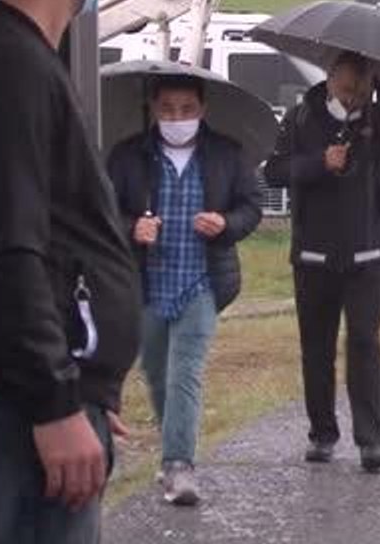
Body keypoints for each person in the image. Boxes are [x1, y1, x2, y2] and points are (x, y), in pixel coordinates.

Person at [0, 0, 141, 542]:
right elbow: (5, 248)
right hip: (21, 422)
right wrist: (56, 403)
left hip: (43, 404)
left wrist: (87, 384)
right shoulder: (7, 68)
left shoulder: (17, 59)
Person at [105, 75, 263, 505]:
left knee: (184, 372)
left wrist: (225, 224)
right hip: (147, 286)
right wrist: (131, 228)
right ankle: (170, 450)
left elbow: (252, 206)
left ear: (202, 109)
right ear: (153, 109)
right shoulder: (128, 157)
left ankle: (180, 465)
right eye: (168, 109)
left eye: (187, 109)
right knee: (157, 372)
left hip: (202, 283)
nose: (178, 118)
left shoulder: (227, 155)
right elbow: (103, 211)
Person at [264, 52, 380, 472]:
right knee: (316, 347)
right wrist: (320, 162)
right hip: (313, 254)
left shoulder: (379, 118)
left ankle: (371, 440)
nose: (354, 96)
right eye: (348, 86)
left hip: (368, 255)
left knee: (365, 343)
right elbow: (274, 171)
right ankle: (322, 433)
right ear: (331, 78)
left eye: (362, 87)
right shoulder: (302, 117)